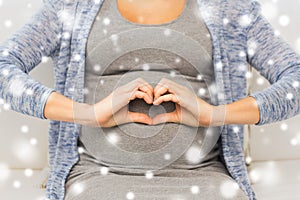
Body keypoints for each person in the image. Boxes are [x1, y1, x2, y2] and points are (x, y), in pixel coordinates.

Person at [0, 0, 299, 199]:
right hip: (97, 180)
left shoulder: (230, 9)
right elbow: (4, 71)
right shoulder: (69, 8)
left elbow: (295, 81)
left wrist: (214, 114)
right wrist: (90, 113)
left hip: (204, 179)